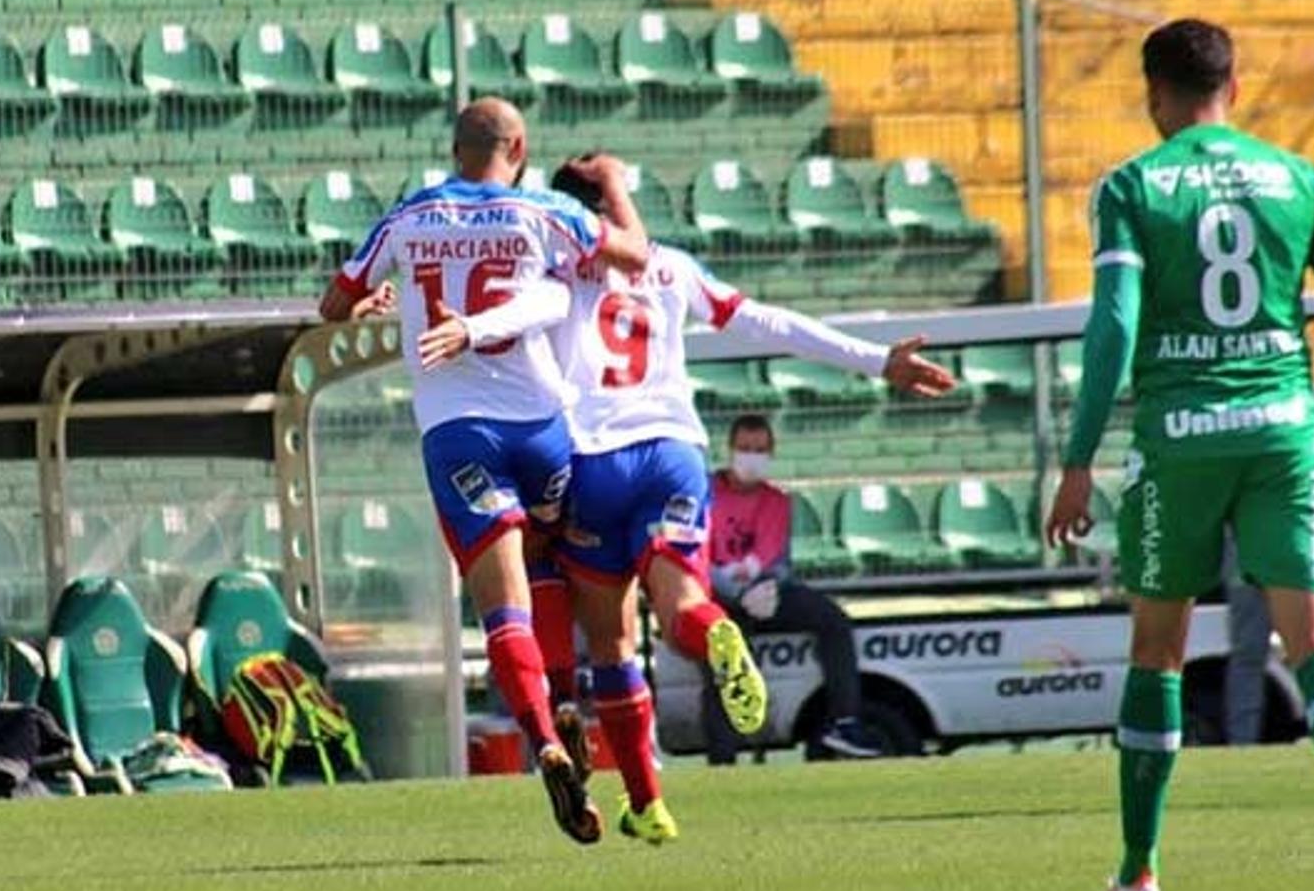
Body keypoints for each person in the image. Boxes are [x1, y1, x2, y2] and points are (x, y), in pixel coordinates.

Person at [435, 156, 953, 842]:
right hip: (676, 452)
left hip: (595, 459)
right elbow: (768, 324)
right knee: (682, 609)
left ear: (566, 214)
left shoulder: (554, 271)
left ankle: (640, 794)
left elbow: (503, 337)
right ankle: (718, 637)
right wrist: (876, 359)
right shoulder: (673, 268)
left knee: (614, 641)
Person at [1045, 18, 1314, 891]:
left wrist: (1078, 459)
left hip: (1179, 441)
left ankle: (1139, 873)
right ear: (1235, 85)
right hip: (1282, 436)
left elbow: (1114, 327)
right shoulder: (1301, 178)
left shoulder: (1133, 185)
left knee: (1157, 654)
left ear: (1156, 92)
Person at [317, 103, 651, 845]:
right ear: (520, 149)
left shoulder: (411, 214)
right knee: (549, 553)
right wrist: (616, 184)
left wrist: (388, 297)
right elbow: (633, 251)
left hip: (457, 435)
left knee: (503, 611)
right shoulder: (544, 209)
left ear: (454, 149)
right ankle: (570, 692)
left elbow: (333, 305)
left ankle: (547, 743)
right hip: (542, 432)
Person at [707, 414, 883, 760]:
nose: (751, 457)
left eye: (760, 449)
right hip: (720, 598)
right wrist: (736, 592)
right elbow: (696, 558)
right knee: (726, 659)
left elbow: (780, 561)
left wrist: (769, 587)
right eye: (744, 448)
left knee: (831, 619)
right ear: (730, 449)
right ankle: (723, 757)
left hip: (765, 594)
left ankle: (844, 722)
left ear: (771, 452)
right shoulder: (705, 491)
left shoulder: (776, 500)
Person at [1220, 383, 1314, 746]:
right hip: (1246, 542)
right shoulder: (1235, 396)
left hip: (1301, 535)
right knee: (1249, 650)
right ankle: (1241, 742)